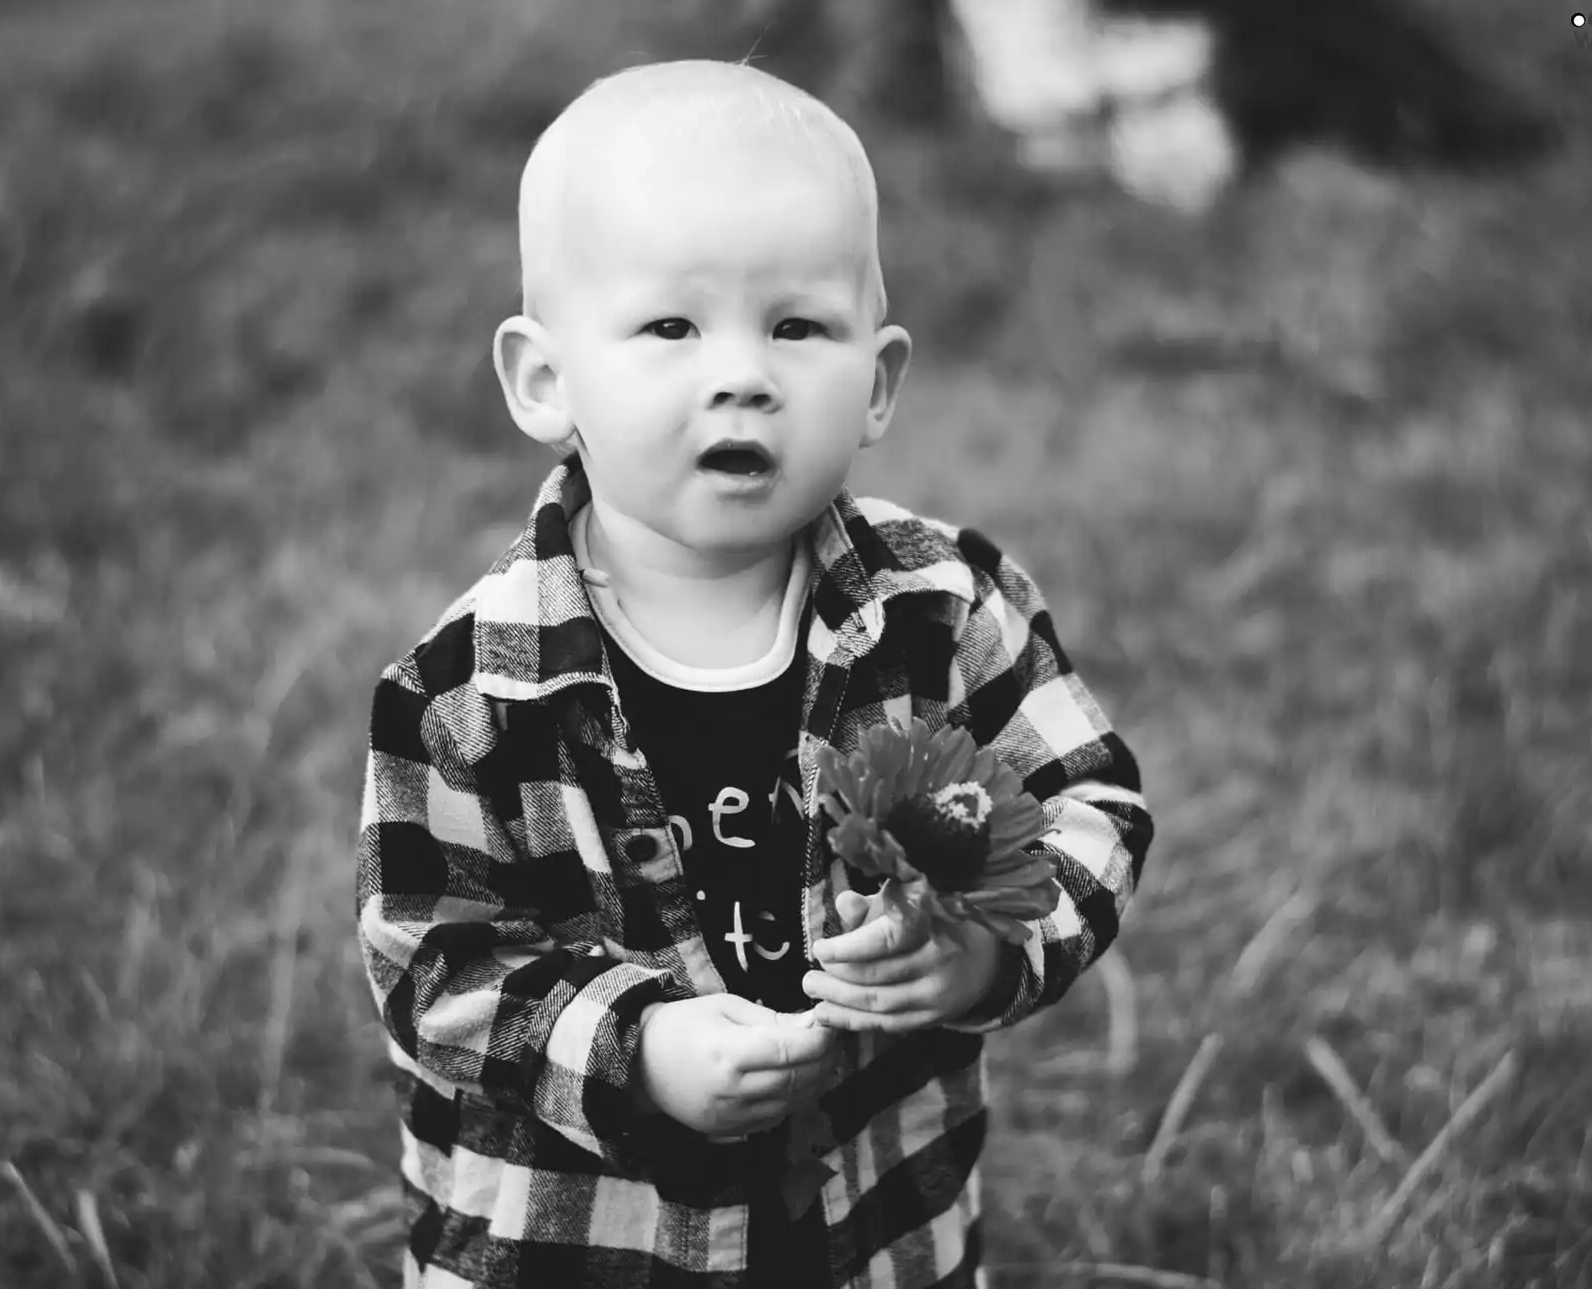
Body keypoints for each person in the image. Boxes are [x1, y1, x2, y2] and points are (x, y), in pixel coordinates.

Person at [355, 57, 1154, 1289]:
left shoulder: (940, 609)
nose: (743, 372)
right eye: (672, 325)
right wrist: (640, 1047)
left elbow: (1090, 797)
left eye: (796, 325)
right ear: (543, 378)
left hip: (874, 1211)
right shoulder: (467, 691)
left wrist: (995, 950)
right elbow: (432, 961)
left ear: (878, 382)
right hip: (583, 1237)